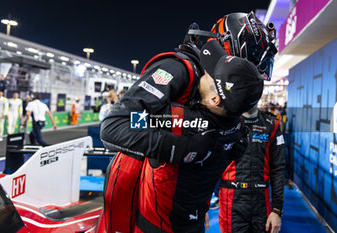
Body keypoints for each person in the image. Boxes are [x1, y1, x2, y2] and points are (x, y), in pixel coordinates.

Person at [98, 11, 277, 233]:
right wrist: (184, 148)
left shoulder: (230, 87)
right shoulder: (180, 70)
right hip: (138, 185)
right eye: (252, 56)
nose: (253, 69)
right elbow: (117, 126)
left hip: (183, 206)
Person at [134, 40, 264, 233]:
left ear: (215, 99)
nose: (202, 72)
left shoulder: (180, 119)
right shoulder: (238, 129)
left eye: (209, 74)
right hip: (194, 223)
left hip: (156, 226)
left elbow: (125, 123)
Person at [215, 105, 285, 233]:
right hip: (231, 201)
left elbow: (278, 169)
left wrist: (277, 210)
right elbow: (208, 166)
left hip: (261, 202)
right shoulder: (224, 121)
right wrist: (201, 206)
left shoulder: (271, 124)